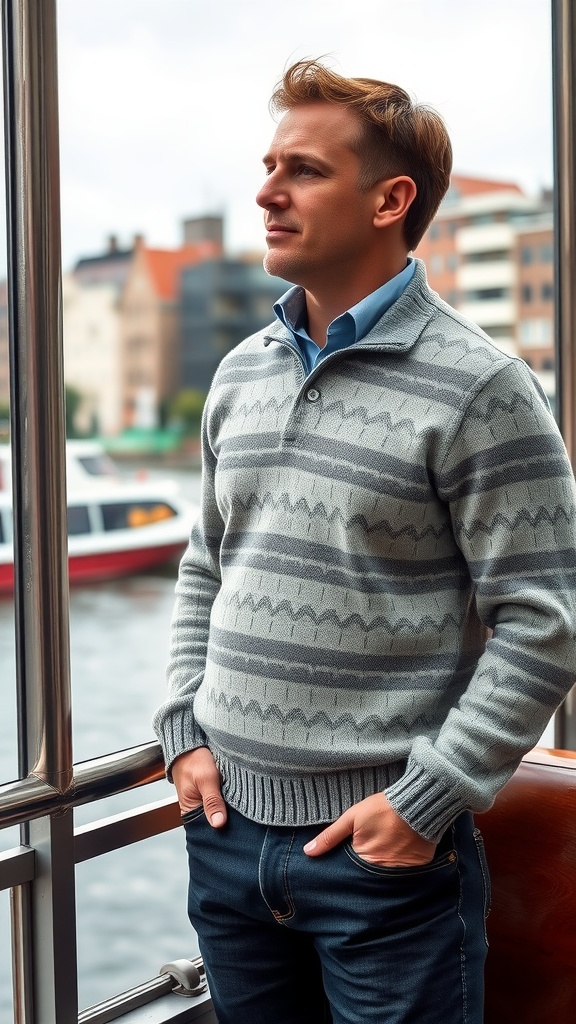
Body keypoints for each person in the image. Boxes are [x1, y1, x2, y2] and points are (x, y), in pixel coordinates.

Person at [153, 59, 576, 1024]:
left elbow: (545, 623)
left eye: (302, 169)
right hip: (223, 839)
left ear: (391, 200)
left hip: (380, 860)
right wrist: (183, 729)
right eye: (268, 165)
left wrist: (426, 802)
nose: (265, 191)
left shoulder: (482, 387)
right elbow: (205, 565)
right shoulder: (237, 374)